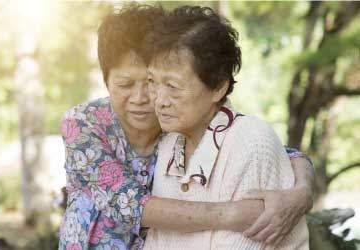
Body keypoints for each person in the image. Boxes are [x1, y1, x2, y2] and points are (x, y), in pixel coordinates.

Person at [59, 3, 314, 250]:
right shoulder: (84, 124)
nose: (142, 98)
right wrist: (232, 214)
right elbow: (129, 205)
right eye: (125, 85)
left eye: (150, 82)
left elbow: (274, 150)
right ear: (106, 81)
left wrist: (301, 194)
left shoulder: (180, 116)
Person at [144, 5, 309, 249]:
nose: (159, 99)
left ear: (218, 87)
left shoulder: (250, 141)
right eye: (152, 82)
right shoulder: (170, 144)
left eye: (173, 86)